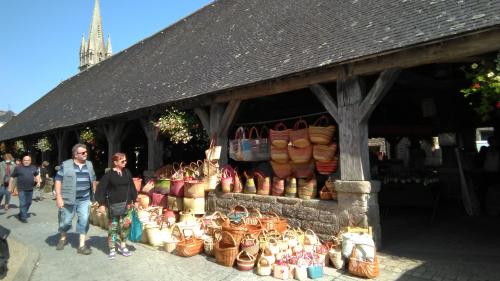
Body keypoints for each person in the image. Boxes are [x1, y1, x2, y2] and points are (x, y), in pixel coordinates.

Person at [54, 144, 97, 255]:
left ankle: (81, 246)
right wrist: (58, 197)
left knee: (84, 220)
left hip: (84, 199)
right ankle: (63, 238)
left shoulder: (89, 164)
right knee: (65, 221)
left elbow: (93, 180)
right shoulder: (66, 164)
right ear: (75, 154)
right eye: (82, 153)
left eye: (86, 152)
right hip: (68, 199)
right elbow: (58, 180)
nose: (85, 154)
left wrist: (95, 196)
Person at [95, 153, 137, 259]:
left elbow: (131, 187)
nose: (125, 163)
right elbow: (101, 188)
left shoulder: (127, 172)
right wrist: (101, 204)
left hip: (126, 205)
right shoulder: (109, 175)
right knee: (113, 228)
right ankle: (112, 248)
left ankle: (123, 246)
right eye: (122, 161)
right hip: (113, 206)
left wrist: (135, 200)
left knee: (125, 227)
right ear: (115, 162)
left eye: (125, 161)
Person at [7, 155, 40, 223]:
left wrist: (38, 181)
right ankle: (23, 217)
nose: (26, 161)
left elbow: (37, 175)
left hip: (30, 188)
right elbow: (12, 177)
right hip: (21, 188)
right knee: (23, 203)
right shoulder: (18, 168)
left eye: (28, 160)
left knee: (29, 202)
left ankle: (21, 213)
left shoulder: (33, 167)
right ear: (22, 161)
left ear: (30, 161)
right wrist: (10, 187)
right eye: (25, 160)